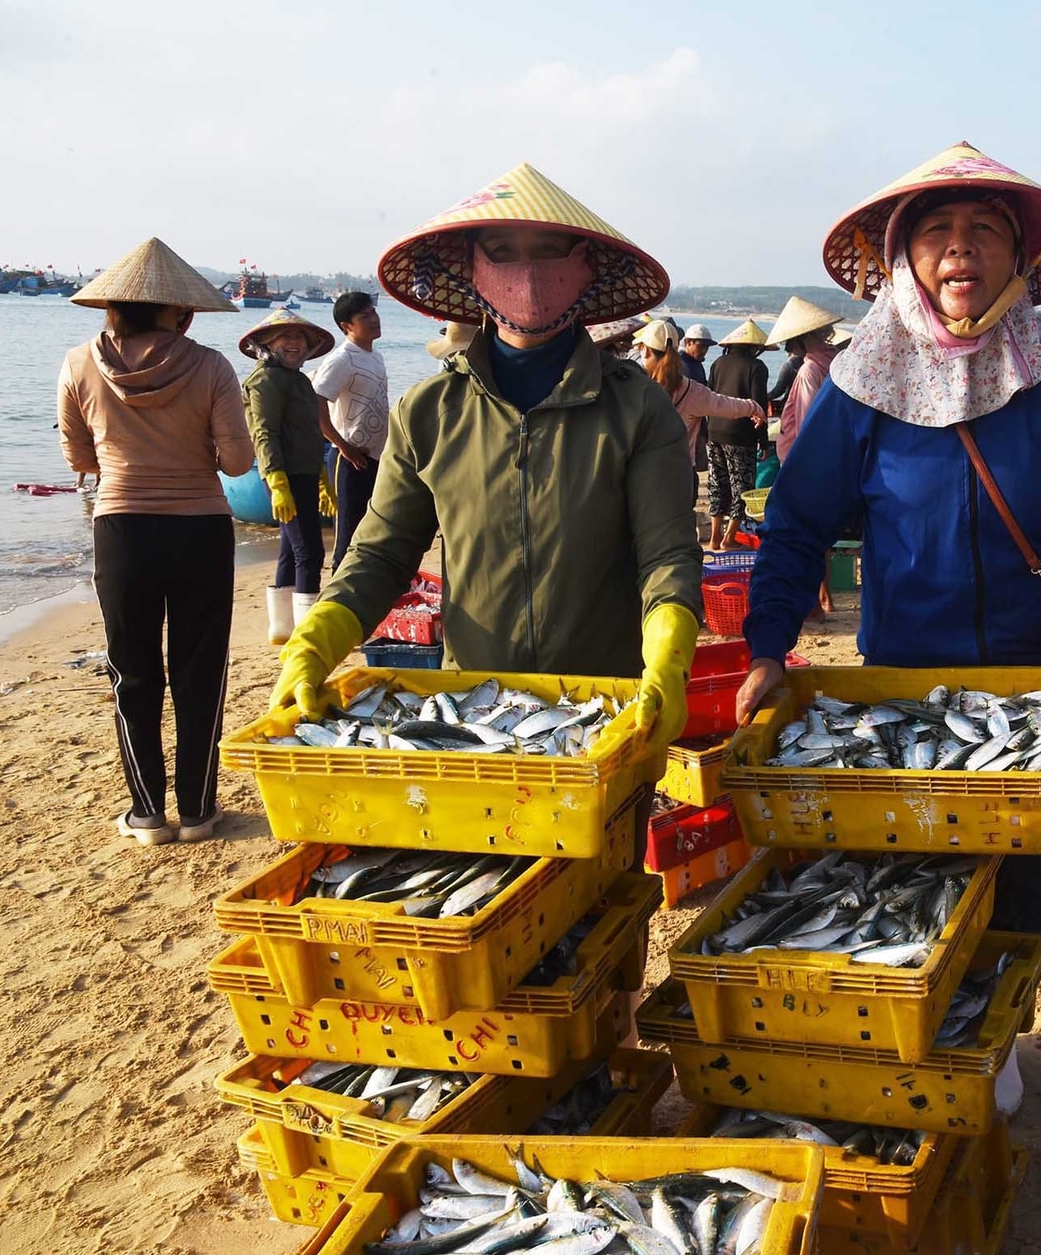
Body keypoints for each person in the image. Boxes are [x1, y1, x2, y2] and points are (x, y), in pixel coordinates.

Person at [735, 142, 1041, 1050]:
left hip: (1034, 681)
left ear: (1021, 258)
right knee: (911, 866)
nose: (961, 250)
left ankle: (998, 1027)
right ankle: (923, 1023)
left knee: (1030, 878)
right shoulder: (862, 383)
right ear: (904, 258)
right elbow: (799, 525)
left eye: (985, 231)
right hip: (902, 682)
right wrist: (768, 643)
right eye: (939, 232)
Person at [269, 161, 704, 764]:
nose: (526, 272)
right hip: (471, 711)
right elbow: (383, 552)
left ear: (586, 269)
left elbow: (666, 555)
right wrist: (316, 643)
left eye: (550, 251)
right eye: (501, 251)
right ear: (472, 270)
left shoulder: (635, 408)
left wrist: (668, 657)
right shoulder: (429, 410)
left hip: (603, 708)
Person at [58, 237, 252, 845]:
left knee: (132, 672)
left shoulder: (77, 364)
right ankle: (197, 809)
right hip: (199, 528)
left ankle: (146, 812)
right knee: (200, 671)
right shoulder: (213, 366)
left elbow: (79, 457)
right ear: (183, 311)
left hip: (120, 529)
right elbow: (239, 463)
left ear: (113, 307)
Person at [242, 307, 335, 644]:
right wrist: (277, 482)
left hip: (306, 473)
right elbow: (264, 433)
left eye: (300, 337)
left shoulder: (299, 381)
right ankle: (307, 637)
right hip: (284, 476)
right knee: (310, 552)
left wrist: (323, 477)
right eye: (287, 337)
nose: (295, 343)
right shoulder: (265, 380)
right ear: (267, 342)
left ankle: (283, 629)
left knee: (290, 548)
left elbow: (312, 433)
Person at [635, 318, 766, 507]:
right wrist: (754, 407)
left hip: (643, 477)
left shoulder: (633, 387)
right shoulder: (692, 391)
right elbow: (725, 404)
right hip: (680, 477)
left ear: (644, 350)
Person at [311, 291, 390, 571]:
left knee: (370, 532)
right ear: (347, 326)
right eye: (364, 316)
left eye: (373, 312)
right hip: (348, 460)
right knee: (346, 534)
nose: (373, 319)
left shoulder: (376, 356)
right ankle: (337, 597)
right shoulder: (341, 359)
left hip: (376, 458)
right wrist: (342, 445)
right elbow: (316, 402)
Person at [706, 318, 773, 550]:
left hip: (714, 431)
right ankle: (729, 538)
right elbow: (758, 407)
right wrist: (763, 442)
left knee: (717, 483)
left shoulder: (717, 363)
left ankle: (714, 537)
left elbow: (710, 396)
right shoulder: (757, 367)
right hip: (740, 435)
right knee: (741, 487)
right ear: (755, 347)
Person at [767, 295, 842, 463]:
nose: (788, 348)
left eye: (790, 341)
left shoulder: (809, 370)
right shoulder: (837, 360)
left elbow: (806, 421)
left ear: (804, 338)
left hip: (801, 454)